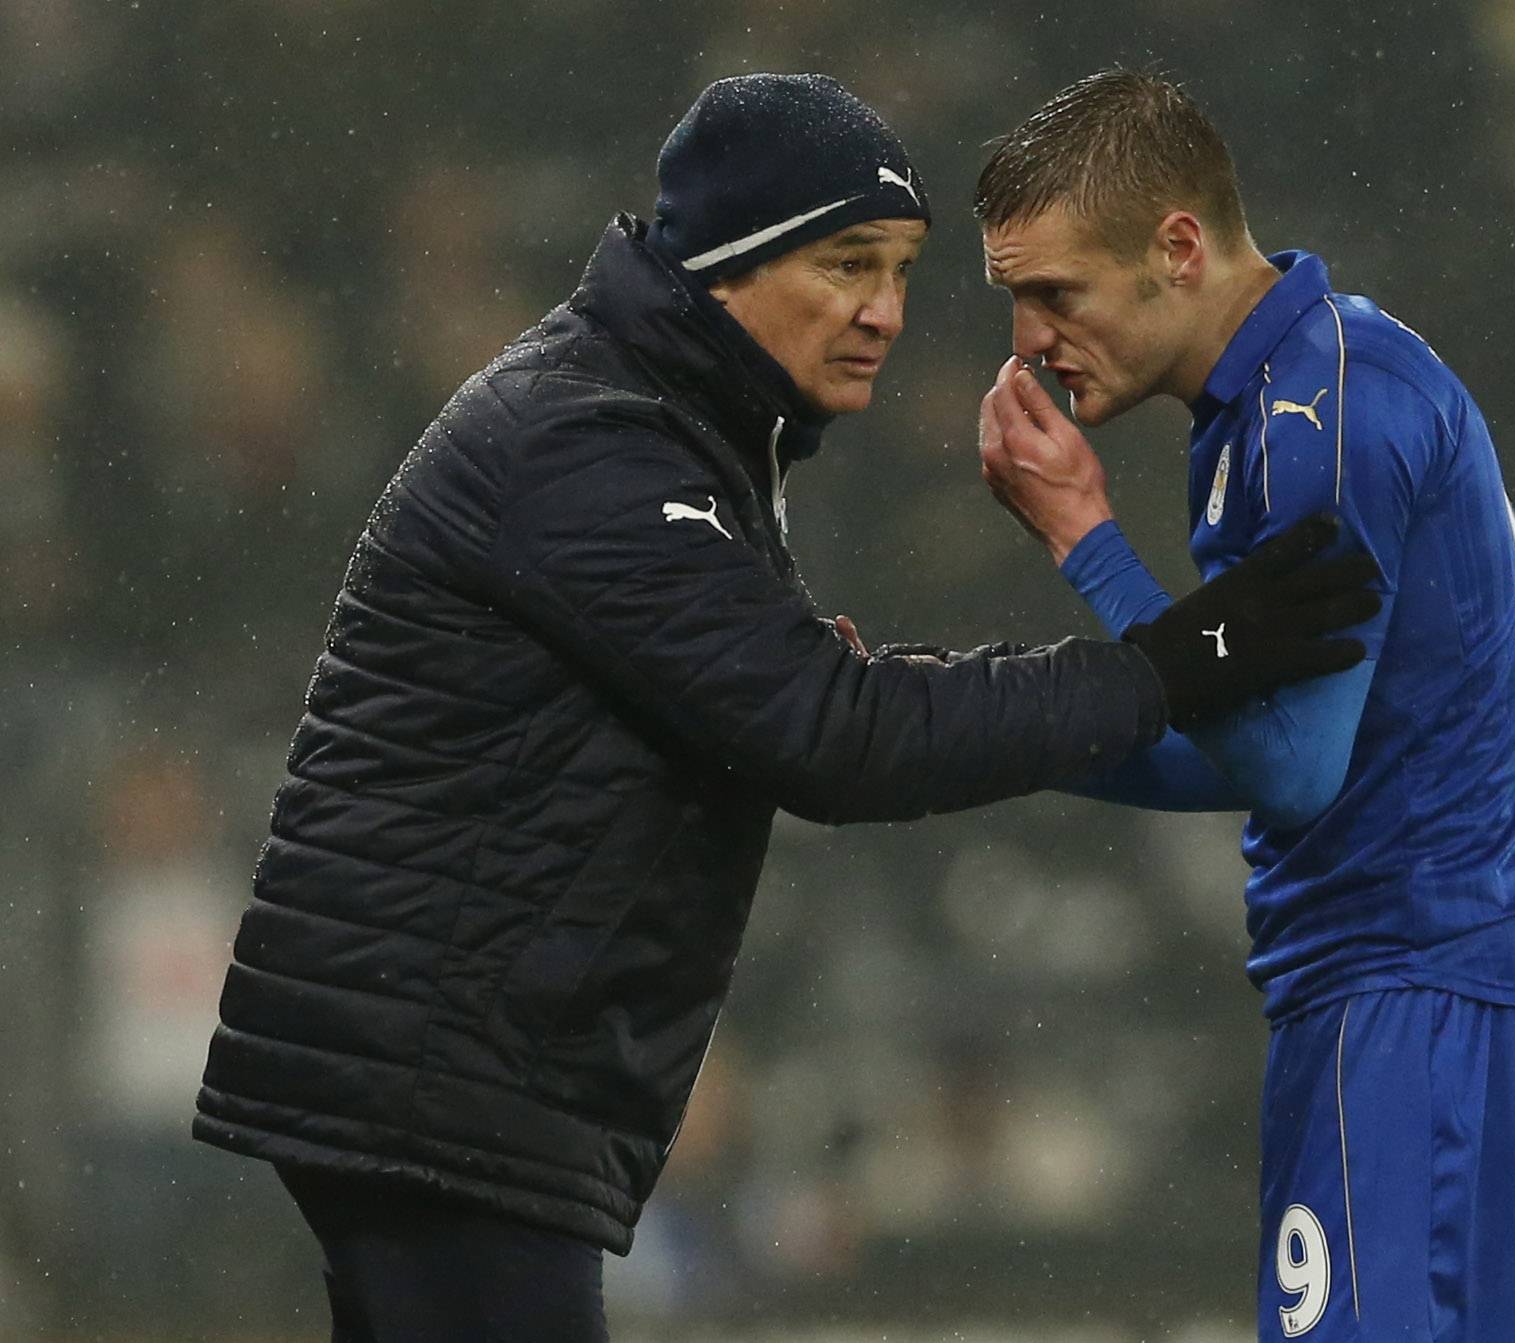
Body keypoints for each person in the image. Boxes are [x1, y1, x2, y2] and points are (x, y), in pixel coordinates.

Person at [191, 73, 1379, 1339]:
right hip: (446, 1081)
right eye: (848, 264)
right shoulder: (596, 441)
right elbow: (835, 737)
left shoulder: (653, 422)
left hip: (441, 1072)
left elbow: (818, 703)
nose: (886, 312)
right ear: (726, 260)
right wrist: (1175, 658)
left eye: (904, 270)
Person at [973, 70, 1515, 1342]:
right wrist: (1001, 730)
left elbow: (1286, 767)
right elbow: (1274, 745)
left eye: (1057, 293)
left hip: (1413, 998)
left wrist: (1087, 539)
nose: (1029, 339)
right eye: (1014, 300)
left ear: (1180, 247)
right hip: (1472, 993)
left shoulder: (1322, 416)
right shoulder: (1312, 381)